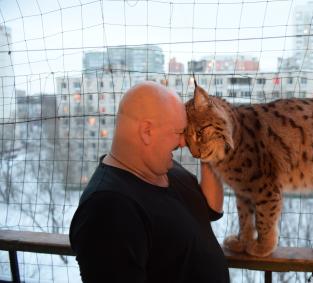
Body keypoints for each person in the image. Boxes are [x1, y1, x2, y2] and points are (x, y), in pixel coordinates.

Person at [69, 81, 230, 283]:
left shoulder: (167, 168)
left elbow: (210, 210)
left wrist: (208, 150)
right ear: (147, 131)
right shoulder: (106, 210)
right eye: (180, 132)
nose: (183, 142)